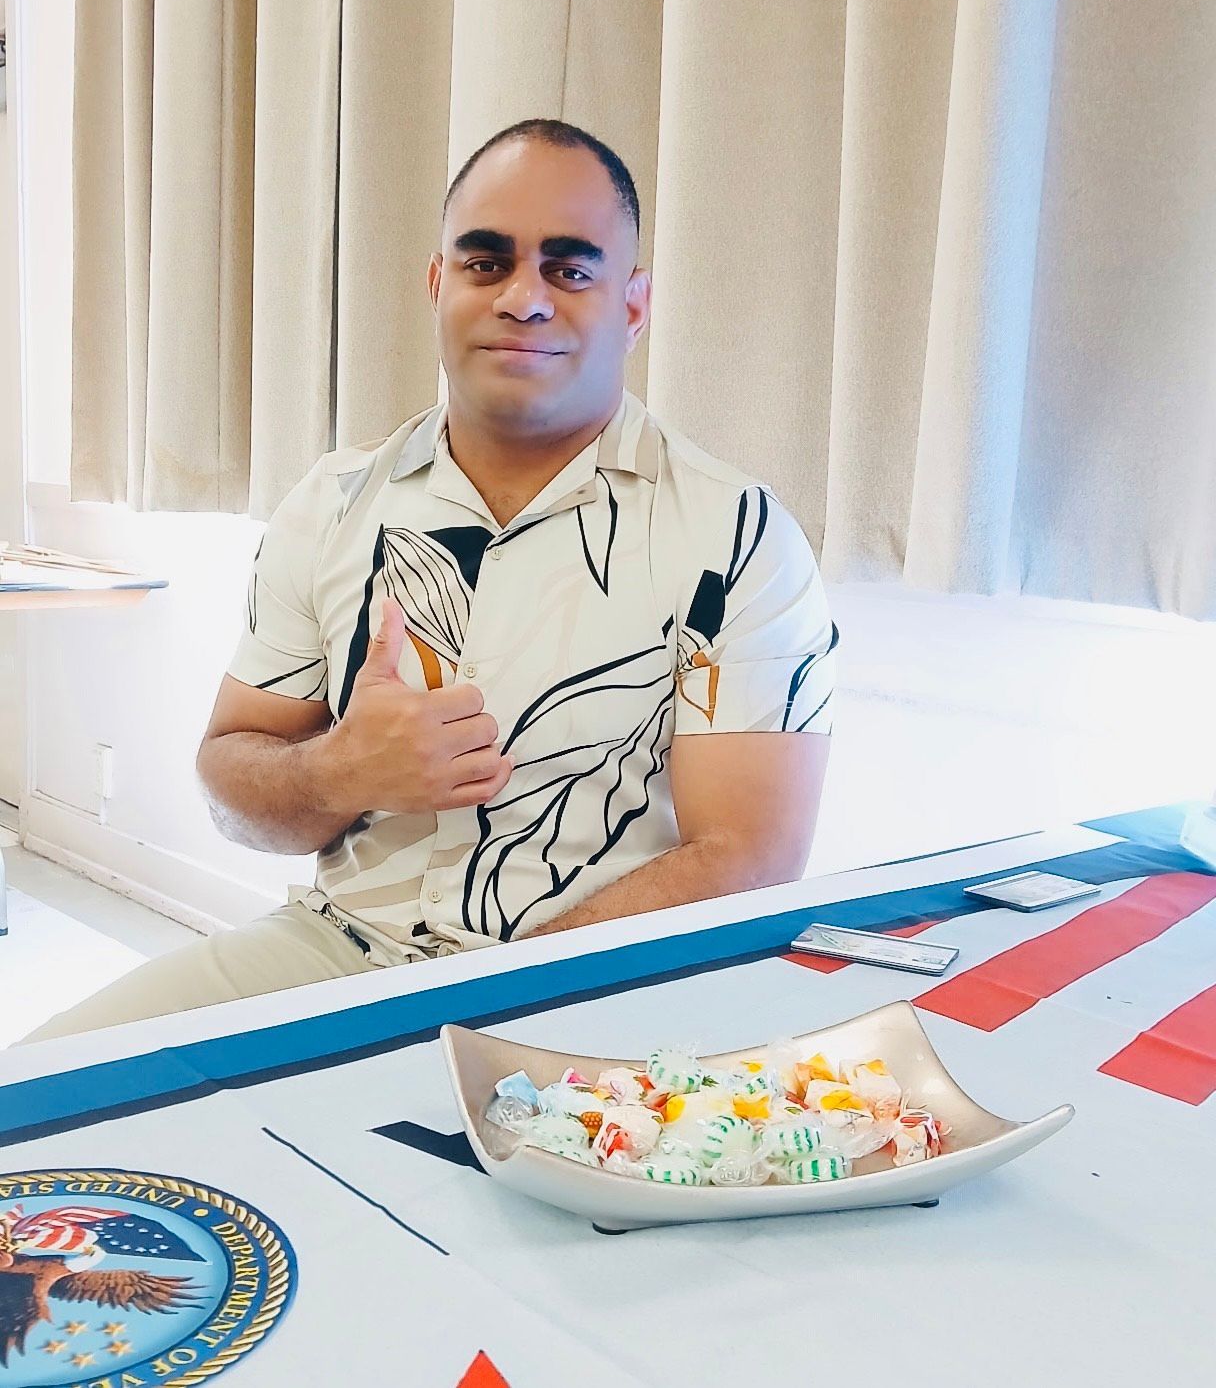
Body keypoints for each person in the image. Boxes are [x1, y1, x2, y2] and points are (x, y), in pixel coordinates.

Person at [23, 118, 837, 1042]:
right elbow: (230, 782)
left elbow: (750, 857)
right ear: (438, 283)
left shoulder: (736, 538)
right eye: (487, 263)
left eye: (570, 269)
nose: (524, 298)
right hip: (337, 954)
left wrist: (483, 1007)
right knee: (36, 1098)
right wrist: (337, 771)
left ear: (634, 305)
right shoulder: (331, 503)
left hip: (592, 990)